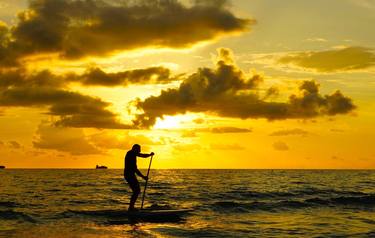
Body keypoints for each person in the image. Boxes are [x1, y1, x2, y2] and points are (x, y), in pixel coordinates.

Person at [124, 144, 154, 211]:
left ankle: (131, 207)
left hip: (130, 174)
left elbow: (142, 155)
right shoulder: (130, 155)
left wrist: (149, 155)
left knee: (136, 190)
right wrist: (143, 177)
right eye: (139, 149)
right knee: (136, 190)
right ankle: (131, 208)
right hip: (129, 175)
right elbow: (135, 169)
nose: (140, 151)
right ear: (135, 149)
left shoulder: (132, 153)